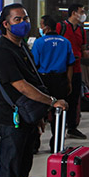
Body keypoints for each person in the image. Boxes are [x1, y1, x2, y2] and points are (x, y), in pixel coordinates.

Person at [0, 3, 67, 177]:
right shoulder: (2, 51)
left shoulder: (21, 47)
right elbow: (21, 86)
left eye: (26, 17)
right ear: (6, 24)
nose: (24, 22)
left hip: (27, 119)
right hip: (12, 122)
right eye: (18, 19)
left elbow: (34, 79)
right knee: (8, 172)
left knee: (21, 171)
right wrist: (51, 101)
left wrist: (40, 115)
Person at [32, 15, 75, 153]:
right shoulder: (65, 42)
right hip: (61, 80)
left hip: (43, 80)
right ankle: (56, 145)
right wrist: (69, 82)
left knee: (38, 113)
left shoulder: (39, 42)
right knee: (60, 113)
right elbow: (70, 64)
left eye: (41, 24)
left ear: (46, 27)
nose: (40, 27)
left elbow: (34, 65)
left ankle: (34, 145)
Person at [55, 3, 89, 139]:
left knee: (75, 98)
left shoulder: (82, 30)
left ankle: (72, 127)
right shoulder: (61, 27)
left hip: (76, 69)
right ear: (74, 12)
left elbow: (83, 51)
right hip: (62, 69)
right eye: (81, 11)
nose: (83, 14)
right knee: (61, 97)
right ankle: (58, 127)